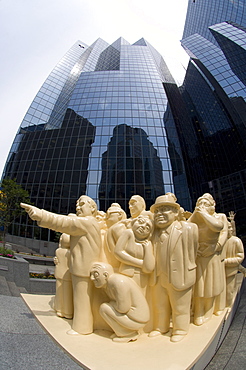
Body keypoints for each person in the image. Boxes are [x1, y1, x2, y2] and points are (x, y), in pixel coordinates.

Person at [21, 195, 102, 335]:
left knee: (82, 299)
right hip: (82, 268)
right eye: (77, 204)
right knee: (81, 299)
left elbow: (62, 222)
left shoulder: (87, 222)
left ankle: (82, 328)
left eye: (82, 204)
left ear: (93, 207)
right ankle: (81, 326)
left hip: (83, 269)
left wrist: (40, 214)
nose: (78, 207)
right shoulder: (89, 222)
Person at [149, 193, 198, 342]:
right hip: (158, 276)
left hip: (180, 275)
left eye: (164, 209)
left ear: (176, 212)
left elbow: (193, 251)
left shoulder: (188, 228)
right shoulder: (153, 232)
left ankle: (180, 329)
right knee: (160, 305)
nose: (159, 214)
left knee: (180, 307)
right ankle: (160, 327)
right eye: (156, 211)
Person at [188, 193, 228, 325]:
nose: (202, 206)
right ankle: (199, 311)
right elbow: (186, 229)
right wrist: (196, 213)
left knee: (211, 284)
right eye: (200, 203)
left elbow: (220, 230)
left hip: (212, 255)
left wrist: (215, 247)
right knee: (199, 285)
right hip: (199, 255)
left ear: (212, 205)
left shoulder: (219, 217)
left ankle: (208, 310)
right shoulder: (196, 219)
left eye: (205, 203)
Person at [90, 262, 150, 342]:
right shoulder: (111, 283)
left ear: (105, 275)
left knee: (104, 308)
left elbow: (123, 308)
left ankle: (127, 334)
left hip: (137, 319)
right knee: (106, 307)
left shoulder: (118, 282)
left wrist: (112, 304)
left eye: (96, 274)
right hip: (134, 317)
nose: (92, 278)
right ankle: (123, 332)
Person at [114, 215, 155, 292]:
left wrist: (148, 248)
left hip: (143, 278)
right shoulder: (128, 233)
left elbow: (149, 268)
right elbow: (118, 252)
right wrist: (141, 264)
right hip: (127, 274)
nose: (143, 227)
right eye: (141, 222)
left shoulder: (148, 244)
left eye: (147, 228)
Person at [224, 222, 244, 307]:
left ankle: (229, 308)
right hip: (220, 273)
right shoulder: (220, 241)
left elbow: (240, 257)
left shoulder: (236, 241)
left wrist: (226, 262)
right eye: (228, 227)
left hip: (231, 271)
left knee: (229, 292)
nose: (230, 229)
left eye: (230, 227)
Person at [53, 233, 73, 319]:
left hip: (66, 275)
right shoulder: (60, 251)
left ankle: (66, 311)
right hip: (62, 274)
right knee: (62, 292)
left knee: (65, 293)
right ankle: (60, 309)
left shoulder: (69, 252)